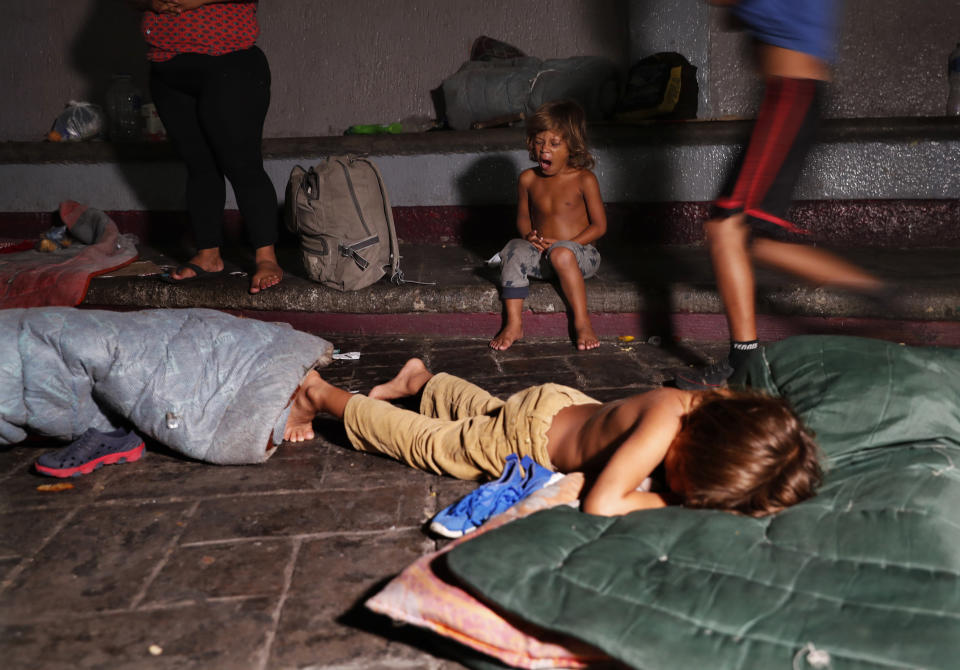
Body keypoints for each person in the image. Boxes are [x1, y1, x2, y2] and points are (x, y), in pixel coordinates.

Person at [283, 358, 822, 518]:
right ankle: (323, 395)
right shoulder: (662, 431)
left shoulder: (694, 404)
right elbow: (603, 505)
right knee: (438, 445)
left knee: (487, 416)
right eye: (695, 481)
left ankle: (420, 380)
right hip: (533, 440)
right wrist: (673, 499)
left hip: (557, 405)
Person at [674, 0, 885, 389]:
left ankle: (743, 360)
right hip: (788, 95)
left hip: (792, 94)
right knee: (749, 238)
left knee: (726, 228)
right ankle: (880, 295)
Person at [134, 0, 283, 294]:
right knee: (199, 164)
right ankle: (209, 253)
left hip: (229, 63)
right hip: (167, 69)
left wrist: (185, 1)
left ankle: (266, 258)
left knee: (242, 165)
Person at [490, 100, 608, 352]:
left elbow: (599, 226)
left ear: (572, 147)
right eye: (539, 141)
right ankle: (514, 323)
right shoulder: (528, 179)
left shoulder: (584, 179)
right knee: (511, 248)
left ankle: (583, 322)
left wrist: (570, 244)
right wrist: (527, 235)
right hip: (542, 255)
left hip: (579, 255)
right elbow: (523, 217)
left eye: (555, 144)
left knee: (562, 253)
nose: (545, 149)